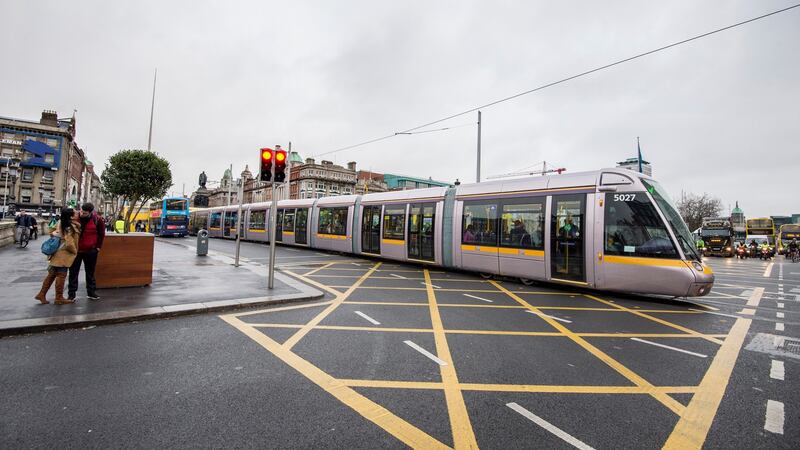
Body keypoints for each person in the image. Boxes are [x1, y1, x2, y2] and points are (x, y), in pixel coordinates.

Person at [34, 208, 80, 305]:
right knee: (61, 276)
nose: (77, 214)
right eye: (75, 213)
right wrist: (75, 252)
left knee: (51, 275)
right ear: (71, 216)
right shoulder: (69, 226)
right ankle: (59, 297)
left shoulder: (60, 222)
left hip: (56, 253)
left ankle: (41, 294)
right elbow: (69, 242)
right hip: (63, 254)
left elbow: (51, 231)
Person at [68, 202, 105, 301]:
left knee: (90, 272)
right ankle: (71, 294)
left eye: (85, 213)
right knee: (73, 273)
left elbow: (101, 233)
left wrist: (98, 247)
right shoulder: (75, 218)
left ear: (90, 213)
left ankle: (91, 292)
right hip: (76, 250)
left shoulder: (97, 219)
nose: (82, 214)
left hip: (91, 250)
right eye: (81, 211)